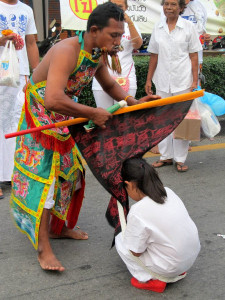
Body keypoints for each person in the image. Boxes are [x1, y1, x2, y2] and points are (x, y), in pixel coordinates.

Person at [10, 2, 160, 272]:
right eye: (113, 35)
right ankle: (43, 246)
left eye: (120, 35)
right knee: (46, 179)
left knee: (71, 174)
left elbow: (110, 85)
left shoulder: (96, 53)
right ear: (94, 30)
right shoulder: (68, 50)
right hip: (41, 116)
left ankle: (57, 229)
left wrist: (132, 101)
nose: (118, 41)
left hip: (63, 117)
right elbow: (53, 98)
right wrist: (93, 112)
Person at [115, 157, 200, 293]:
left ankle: (152, 279)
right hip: (189, 258)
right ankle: (176, 272)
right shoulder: (168, 191)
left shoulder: (138, 211)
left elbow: (135, 252)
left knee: (120, 240)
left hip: (171, 266)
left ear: (129, 185)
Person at [145, 0, 202, 172]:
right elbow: (154, 56)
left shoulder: (188, 27)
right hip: (162, 81)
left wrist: (194, 81)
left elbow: (194, 56)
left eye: (173, 4)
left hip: (183, 81)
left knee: (181, 121)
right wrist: (148, 80)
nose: (169, 7)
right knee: (162, 120)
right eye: (166, 4)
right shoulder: (158, 27)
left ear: (181, 8)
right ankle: (165, 156)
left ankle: (180, 159)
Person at [0, 0, 39, 199]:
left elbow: (31, 42)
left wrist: (37, 75)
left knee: (18, 122)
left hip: (20, 73)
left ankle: (15, 173)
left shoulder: (26, 10)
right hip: (1, 72)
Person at [92, 0, 143, 109]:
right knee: (104, 115)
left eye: (120, 6)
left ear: (126, 7)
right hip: (103, 77)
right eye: (113, 6)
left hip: (126, 76)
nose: (117, 9)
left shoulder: (131, 25)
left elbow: (137, 45)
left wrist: (129, 23)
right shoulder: (100, 24)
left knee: (124, 117)